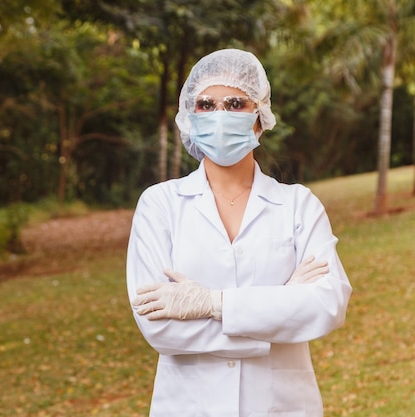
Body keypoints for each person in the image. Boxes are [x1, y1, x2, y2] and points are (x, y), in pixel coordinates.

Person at [126, 48, 352, 417]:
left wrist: (214, 305)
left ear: (259, 118)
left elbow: (327, 304)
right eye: (205, 105)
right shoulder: (160, 205)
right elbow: (158, 329)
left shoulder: (299, 205)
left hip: (282, 407)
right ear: (189, 117)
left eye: (235, 103)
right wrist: (279, 306)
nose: (219, 116)